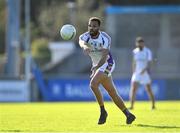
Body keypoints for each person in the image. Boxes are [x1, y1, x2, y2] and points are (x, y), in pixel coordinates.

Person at [79, 17, 136, 125]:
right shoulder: (85, 36)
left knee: (93, 84)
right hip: (97, 66)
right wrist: (85, 47)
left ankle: (103, 111)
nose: (91, 28)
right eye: (89, 25)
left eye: (94, 26)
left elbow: (105, 57)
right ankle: (128, 114)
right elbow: (82, 42)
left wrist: (96, 68)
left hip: (107, 63)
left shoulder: (105, 38)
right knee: (112, 93)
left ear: (99, 27)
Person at [129, 37, 155, 110]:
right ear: (136, 44)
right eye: (138, 43)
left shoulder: (147, 51)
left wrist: (145, 69)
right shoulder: (135, 51)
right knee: (133, 88)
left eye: (141, 43)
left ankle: (153, 105)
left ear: (143, 44)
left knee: (148, 89)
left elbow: (150, 62)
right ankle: (131, 105)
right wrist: (133, 70)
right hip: (137, 73)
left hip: (145, 73)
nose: (140, 44)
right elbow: (134, 62)